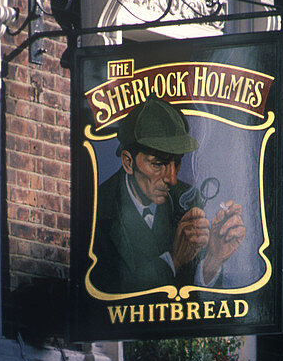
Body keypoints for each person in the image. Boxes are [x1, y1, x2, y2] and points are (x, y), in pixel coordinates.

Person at [90, 95, 246, 296]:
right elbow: (109, 297)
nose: (172, 179)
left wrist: (213, 260)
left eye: (177, 162)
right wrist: (174, 260)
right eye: (158, 164)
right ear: (128, 163)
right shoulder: (98, 208)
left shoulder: (187, 199)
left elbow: (199, 304)